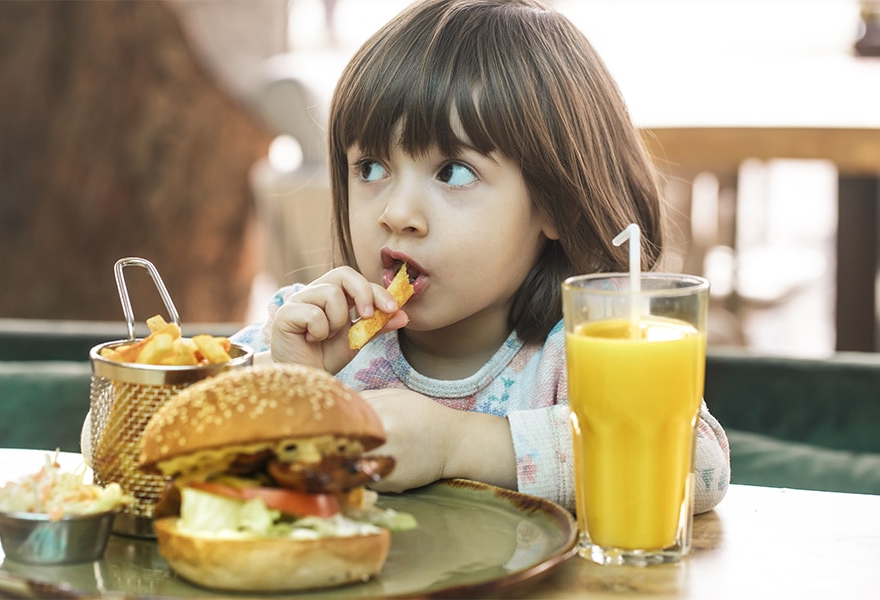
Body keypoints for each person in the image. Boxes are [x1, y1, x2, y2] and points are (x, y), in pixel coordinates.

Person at [233, 0, 730, 514]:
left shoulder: (576, 356)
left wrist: (461, 444)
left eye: (453, 171)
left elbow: (698, 463)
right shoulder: (304, 334)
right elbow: (155, 433)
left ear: (553, 203)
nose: (397, 212)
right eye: (371, 167)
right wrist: (284, 384)